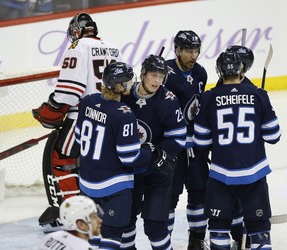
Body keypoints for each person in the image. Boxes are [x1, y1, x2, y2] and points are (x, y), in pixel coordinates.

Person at [32, 12, 124, 232]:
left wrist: (51, 109)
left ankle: (72, 214)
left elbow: (69, 91)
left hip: (84, 116)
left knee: (61, 157)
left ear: (75, 31)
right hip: (111, 116)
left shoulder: (78, 47)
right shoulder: (113, 48)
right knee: (98, 161)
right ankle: (103, 211)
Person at [75, 62, 175, 249]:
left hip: (87, 183)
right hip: (113, 187)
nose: (132, 83)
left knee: (94, 233)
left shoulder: (88, 101)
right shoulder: (123, 113)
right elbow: (129, 157)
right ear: (121, 85)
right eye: (129, 81)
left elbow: (79, 139)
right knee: (112, 236)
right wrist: (151, 153)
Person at [193, 51, 282, 250]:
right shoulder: (258, 94)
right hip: (254, 173)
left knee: (218, 226)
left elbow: (201, 140)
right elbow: (274, 136)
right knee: (259, 227)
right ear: (242, 71)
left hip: (221, 174)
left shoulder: (208, 98)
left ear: (219, 72)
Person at [120, 54, 186, 250]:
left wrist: (158, 153)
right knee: (125, 221)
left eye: (161, 76)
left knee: (155, 225)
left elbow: (178, 138)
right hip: (130, 170)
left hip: (157, 170)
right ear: (143, 74)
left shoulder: (168, 100)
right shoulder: (125, 94)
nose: (157, 81)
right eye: (153, 75)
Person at [164, 30, 208, 249]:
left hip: (196, 147)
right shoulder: (163, 73)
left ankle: (197, 239)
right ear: (177, 51)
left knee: (199, 192)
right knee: (169, 197)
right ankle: (164, 242)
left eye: (196, 51)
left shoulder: (201, 73)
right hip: (172, 148)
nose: (193, 56)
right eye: (188, 51)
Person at [215, 45, 255, 249]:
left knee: (235, 197)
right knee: (240, 197)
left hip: (223, 157)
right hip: (244, 157)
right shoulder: (253, 90)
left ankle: (241, 232)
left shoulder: (221, 85)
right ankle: (242, 231)